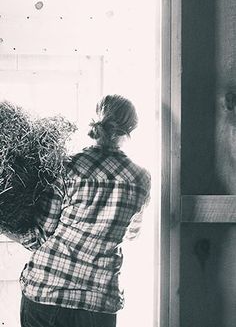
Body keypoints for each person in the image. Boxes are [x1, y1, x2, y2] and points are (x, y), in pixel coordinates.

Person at [14, 94, 151, 327]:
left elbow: (39, 237)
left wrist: (10, 229)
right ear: (131, 130)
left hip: (47, 291)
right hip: (98, 301)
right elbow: (132, 233)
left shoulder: (68, 167)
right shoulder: (141, 179)